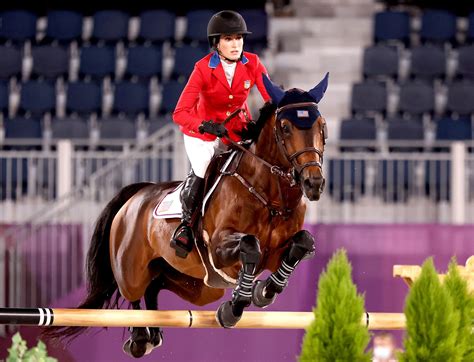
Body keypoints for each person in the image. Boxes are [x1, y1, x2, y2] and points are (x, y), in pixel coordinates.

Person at [170, 10, 271, 258]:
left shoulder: (253, 63)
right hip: (201, 134)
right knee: (204, 166)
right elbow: (180, 112)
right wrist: (204, 125)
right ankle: (185, 225)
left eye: (239, 38)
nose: (236, 44)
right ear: (217, 43)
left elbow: (271, 96)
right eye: (228, 39)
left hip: (234, 132)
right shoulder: (203, 69)